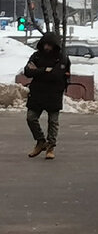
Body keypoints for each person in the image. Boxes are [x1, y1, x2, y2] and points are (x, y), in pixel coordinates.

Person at [23, 31, 71, 160]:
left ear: (55, 46)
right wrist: (45, 70)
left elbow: (56, 74)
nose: (47, 48)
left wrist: (37, 71)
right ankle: (40, 141)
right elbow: (27, 71)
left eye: (49, 45)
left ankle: (50, 147)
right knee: (31, 118)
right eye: (45, 45)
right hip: (37, 93)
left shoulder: (61, 58)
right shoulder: (36, 56)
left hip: (54, 93)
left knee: (53, 121)